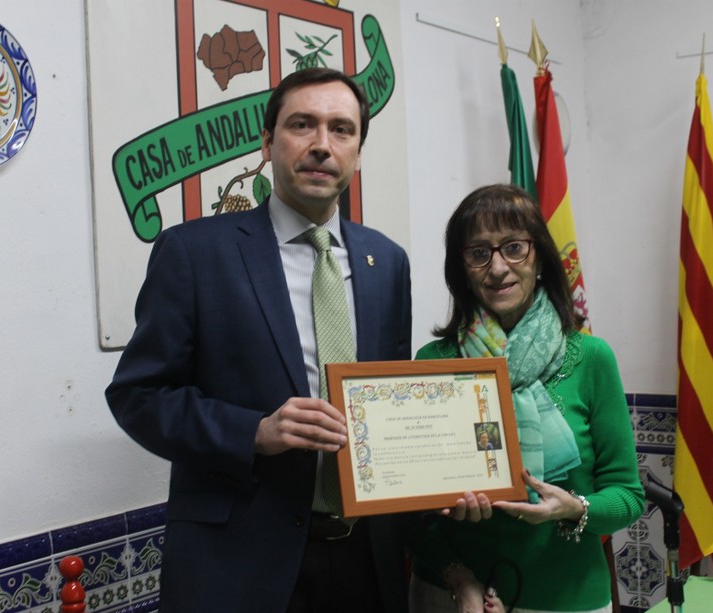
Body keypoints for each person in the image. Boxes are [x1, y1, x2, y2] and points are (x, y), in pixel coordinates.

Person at [105, 67, 413, 613]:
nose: (322, 145)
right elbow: (138, 396)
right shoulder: (194, 253)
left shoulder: (386, 261)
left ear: (358, 153)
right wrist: (254, 431)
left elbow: (389, 401)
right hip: (238, 564)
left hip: (366, 558)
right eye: (302, 124)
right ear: (267, 142)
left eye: (341, 129)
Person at [407, 184, 644, 613]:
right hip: (455, 596)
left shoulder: (592, 358)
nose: (498, 268)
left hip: (567, 599)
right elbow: (413, 512)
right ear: (462, 268)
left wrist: (572, 507)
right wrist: (458, 578)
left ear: (540, 259)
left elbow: (628, 497)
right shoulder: (433, 362)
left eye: (514, 248)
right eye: (479, 253)